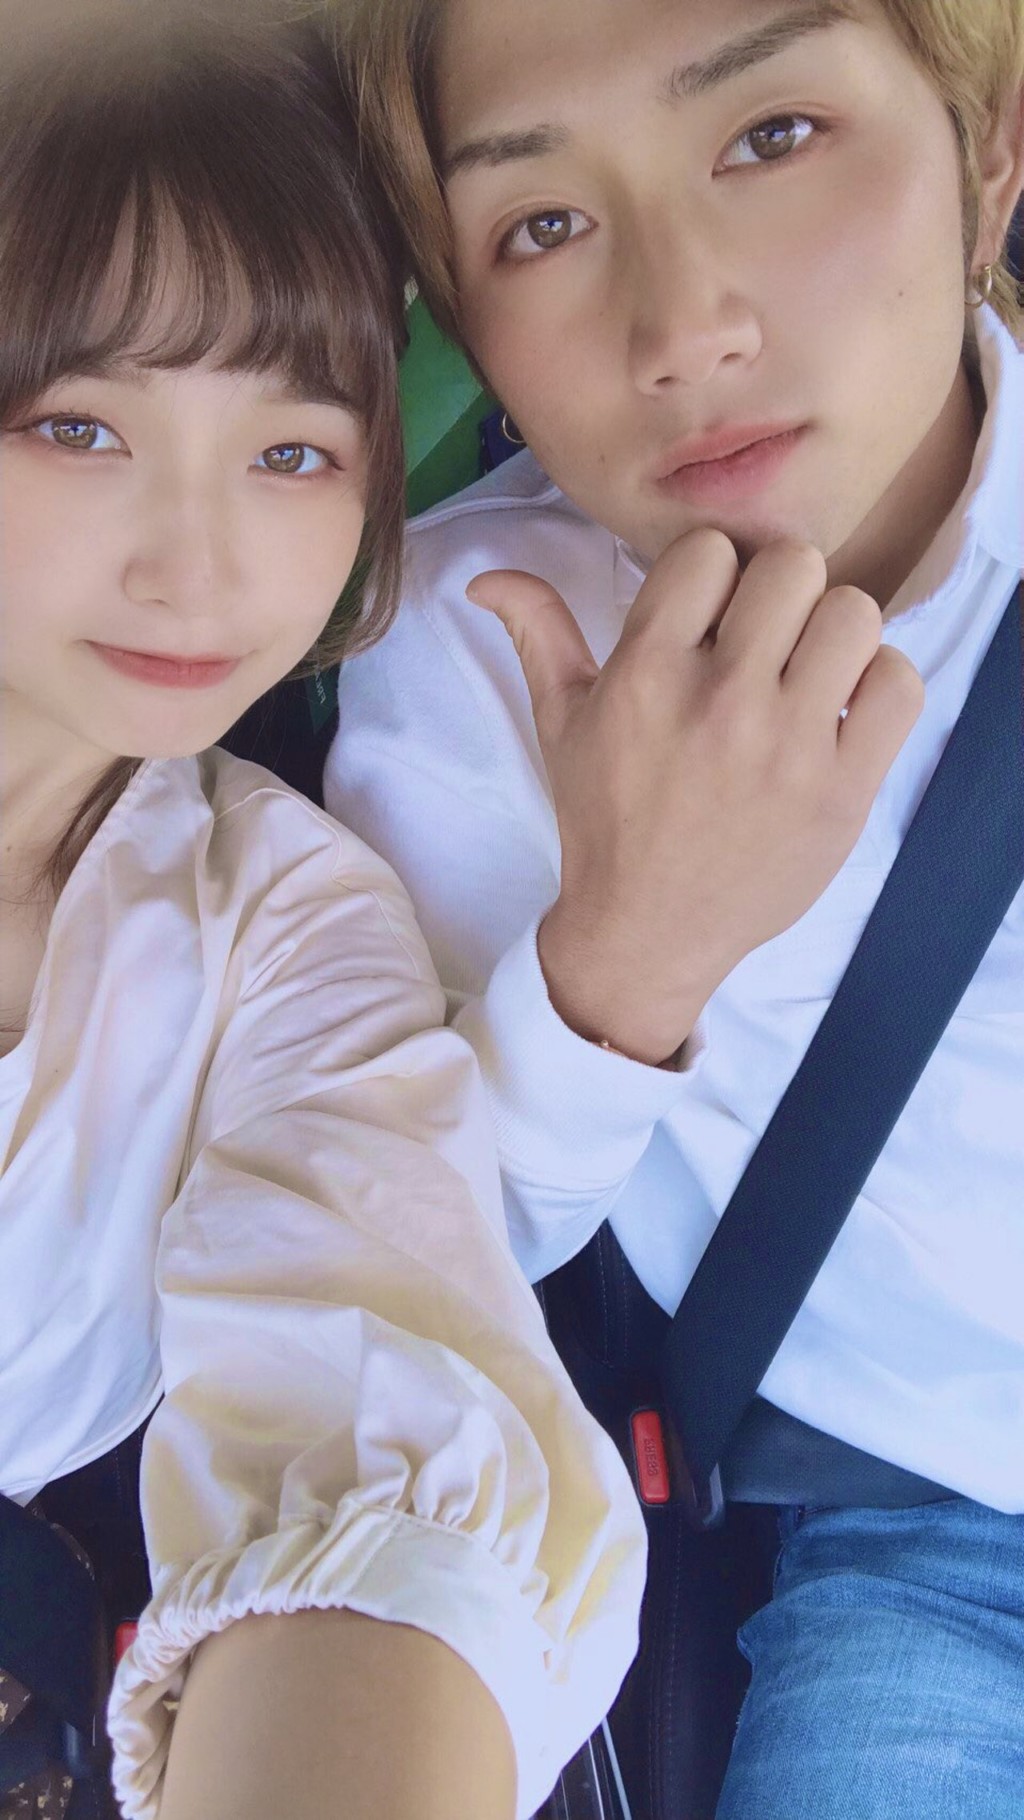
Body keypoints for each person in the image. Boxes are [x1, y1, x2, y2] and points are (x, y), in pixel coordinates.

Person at [326, 0, 1024, 1813]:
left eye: (773, 138)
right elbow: (416, 1266)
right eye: (542, 223)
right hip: (928, 1549)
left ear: (991, 151)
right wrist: (628, 959)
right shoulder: (474, 647)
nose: (683, 326)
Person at [0, 5, 648, 1819]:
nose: (201, 566)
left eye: (291, 453)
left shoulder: (280, 927)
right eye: (78, 424)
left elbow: (383, 1422)